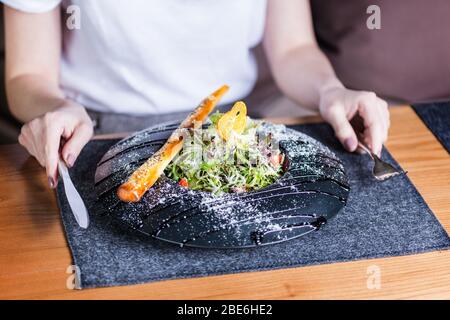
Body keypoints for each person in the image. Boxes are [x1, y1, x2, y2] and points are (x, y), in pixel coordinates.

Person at [3, 0, 389, 189]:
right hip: (94, 130)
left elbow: (292, 50)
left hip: (231, 126)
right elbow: (27, 75)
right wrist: (56, 108)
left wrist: (330, 90)